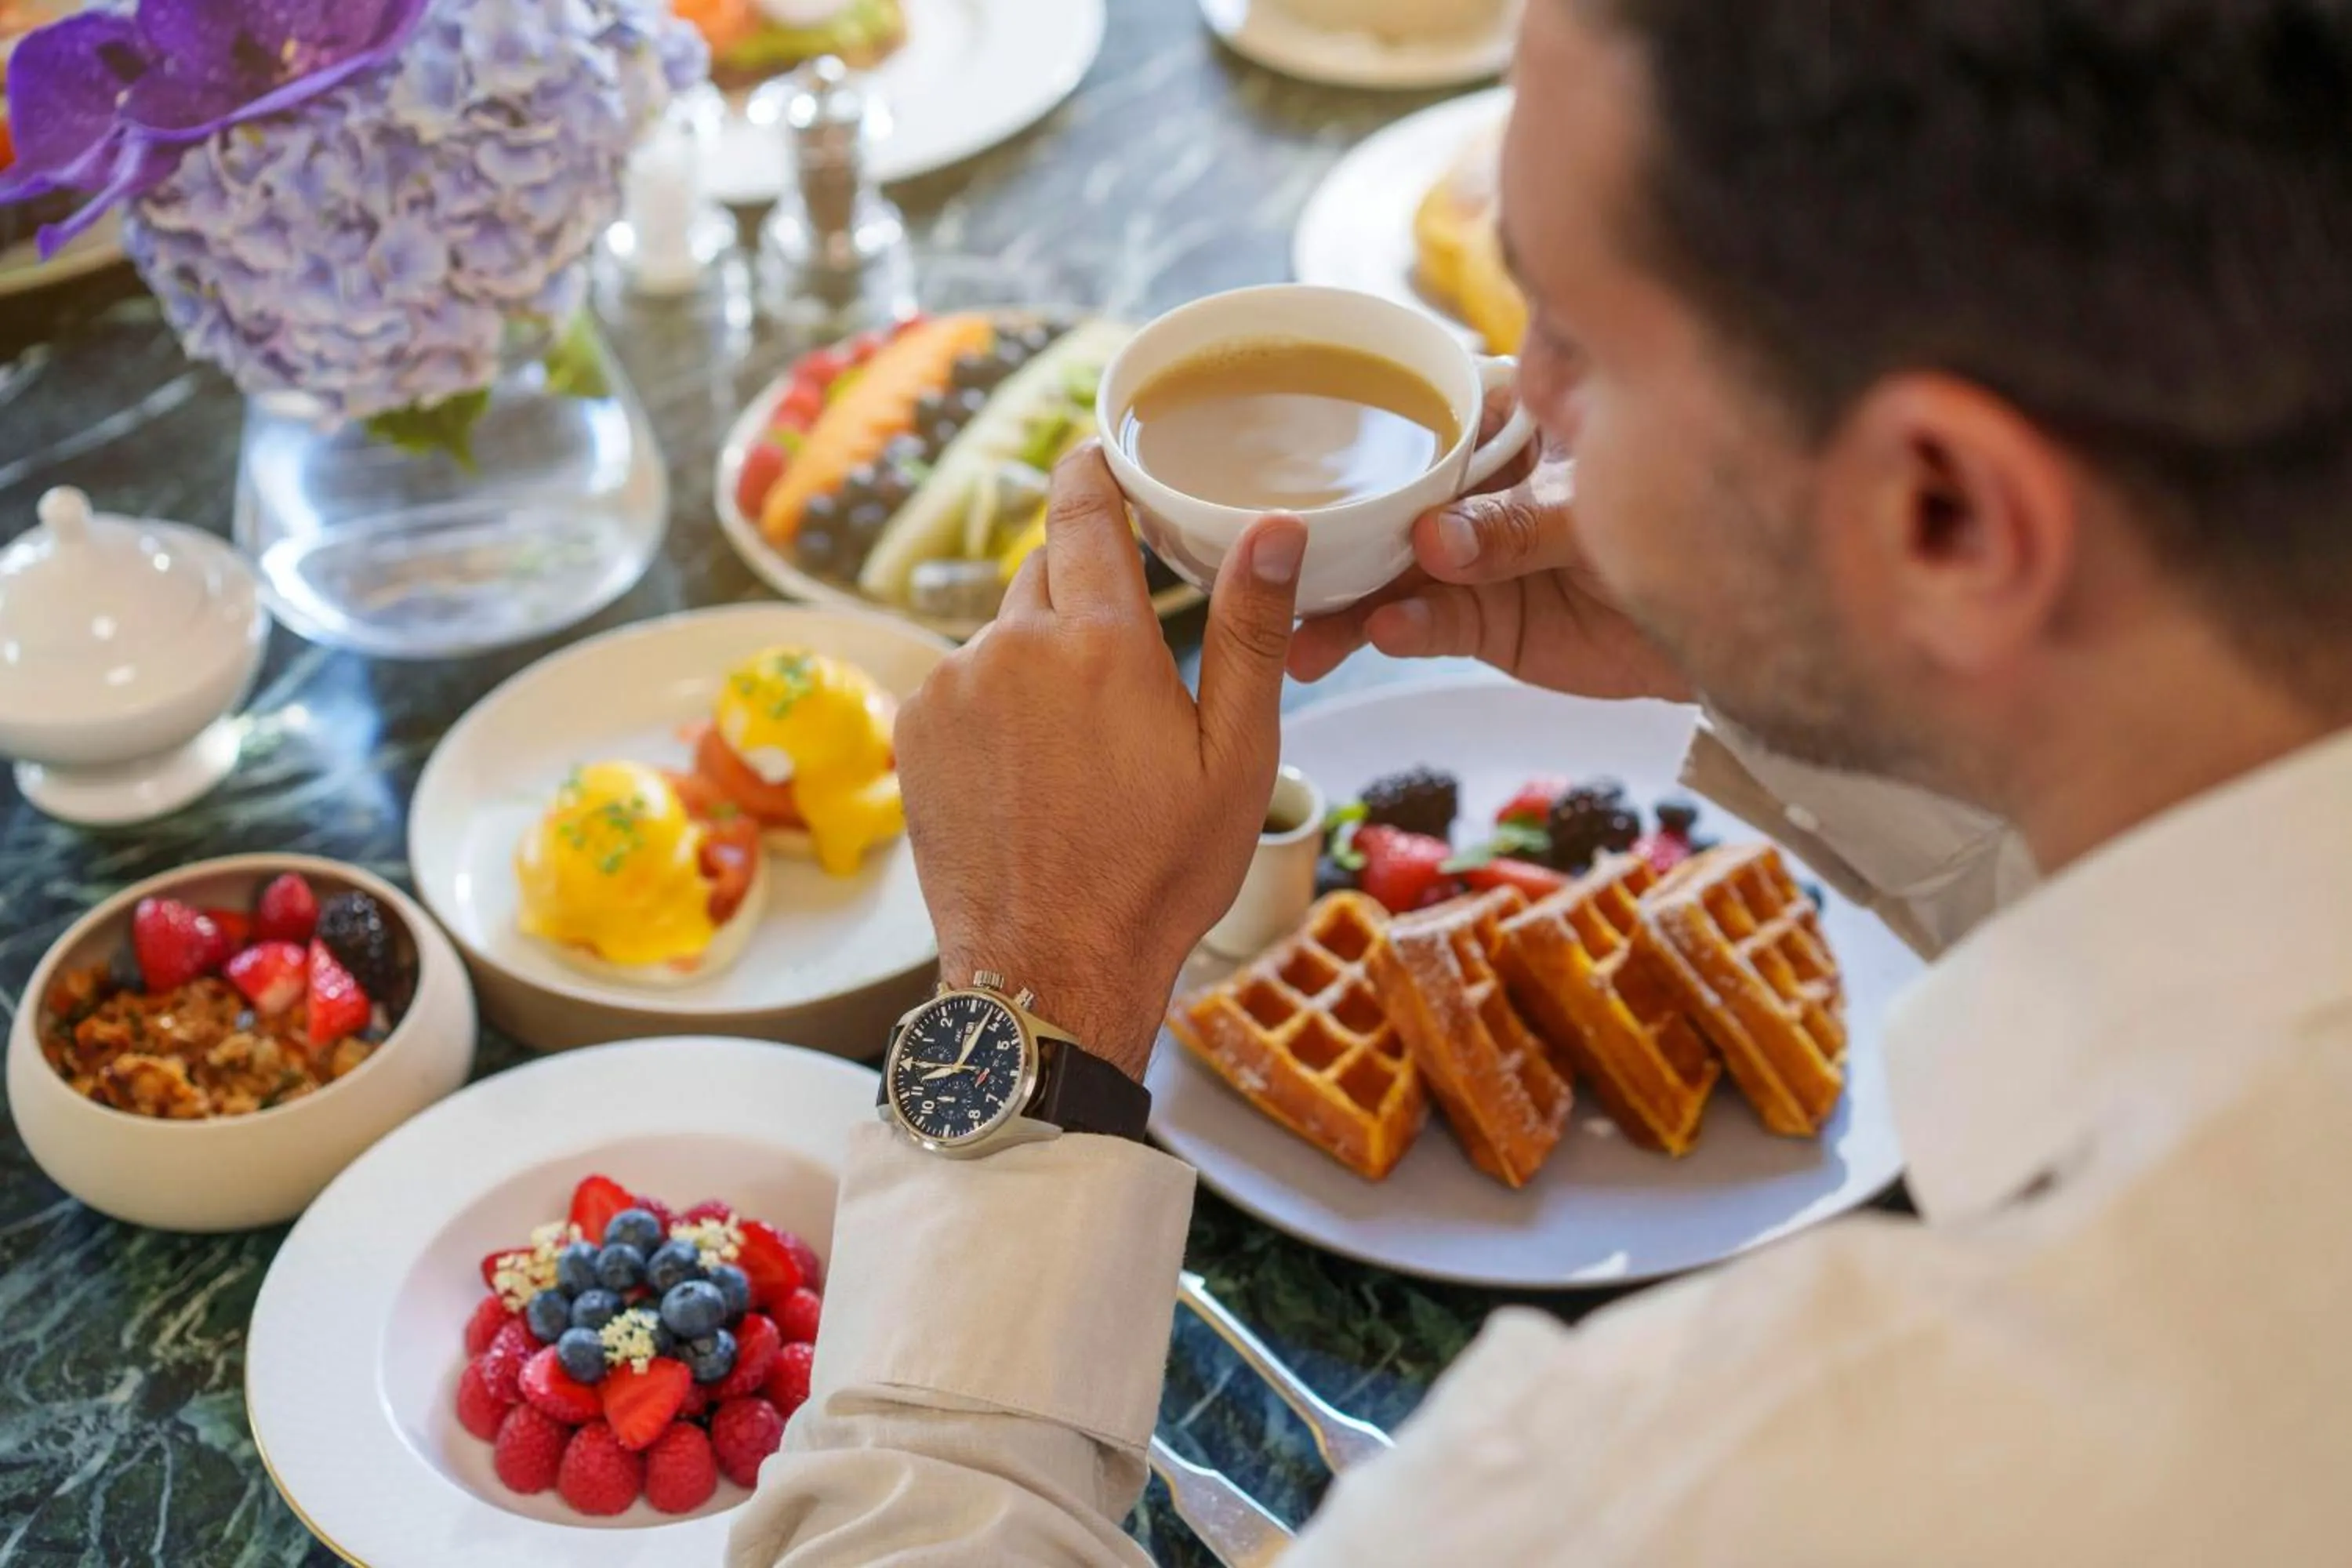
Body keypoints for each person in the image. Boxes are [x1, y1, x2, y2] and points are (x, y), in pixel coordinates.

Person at [731, 0, 2352, 1559]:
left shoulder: (1695, 1482)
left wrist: (1033, 1015)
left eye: (1572, 338)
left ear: (1940, 508)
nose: (1517, 409)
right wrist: (1797, 619)